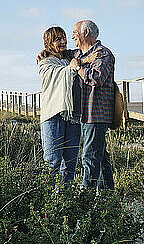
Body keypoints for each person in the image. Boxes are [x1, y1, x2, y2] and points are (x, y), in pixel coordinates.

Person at [37, 26, 98, 184]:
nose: (63, 41)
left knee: (70, 164)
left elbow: (79, 56)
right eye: (58, 39)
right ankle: (47, 202)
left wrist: (80, 62)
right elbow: (60, 72)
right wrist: (81, 63)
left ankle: (65, 201)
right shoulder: (45, 62)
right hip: (53, 115)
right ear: (49, 43)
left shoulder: (70, 56)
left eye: (64, 37)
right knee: (52, 162)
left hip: (72, 115)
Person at [69, 20, 115, 190]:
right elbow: (62, 53)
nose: (72, 36)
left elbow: (96, 78)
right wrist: (46, 51)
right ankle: (107, 197)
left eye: (75, 32)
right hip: (83, 114)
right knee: (100, 156)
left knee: (89, 157)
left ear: (86, 32)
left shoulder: (103, 54)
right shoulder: (78, 54)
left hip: (95, 114)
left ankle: (86, 197)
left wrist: (78, 68)